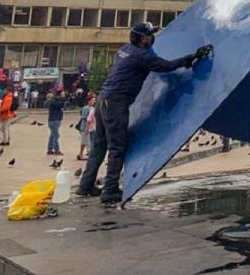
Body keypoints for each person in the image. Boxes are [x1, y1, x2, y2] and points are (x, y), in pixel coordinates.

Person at [77, 22, 212, 204]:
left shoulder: (126, 49)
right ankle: (110, 190)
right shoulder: (141, 56)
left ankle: (85, 185)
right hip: (116, 102)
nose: (152, 37)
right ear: (142, 38)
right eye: (150, 35)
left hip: (104, 99)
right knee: (118, 146)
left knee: (99, 145)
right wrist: (193, 56)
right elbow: (165, 66)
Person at [46, 90, 66, 156]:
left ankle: (49, 150)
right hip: (54, 120)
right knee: (56, 135)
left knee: (52, 135)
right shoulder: (53, 101)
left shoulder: (54, 101)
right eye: (63, 94)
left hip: (55, 120)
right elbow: (59, 105)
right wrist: (62, 99)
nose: (64, 95)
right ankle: (56, 150)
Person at [77, 93, 96, 161]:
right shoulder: (86, 108)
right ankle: (85, 154)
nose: (94, 101)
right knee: (85, 141)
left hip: (92, 127)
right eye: (92, 100)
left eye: (94, 100)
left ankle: (80, 154)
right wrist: (89, 117)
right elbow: (83, 117)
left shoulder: (93, 108)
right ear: (89, 101)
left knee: (85, 141)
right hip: (85, 127)